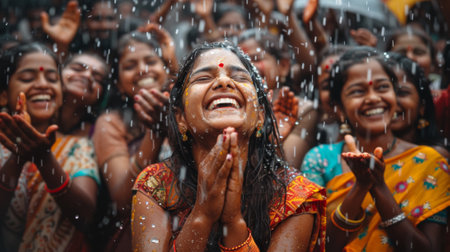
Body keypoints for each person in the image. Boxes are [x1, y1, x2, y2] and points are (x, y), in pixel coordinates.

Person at [131, 41, 326, 251]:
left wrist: (233, 222)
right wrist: (202, 214)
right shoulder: (156, 184)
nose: (224, 82)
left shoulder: (295, 195)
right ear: (181, 119)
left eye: (240, 77)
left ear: (261, 115)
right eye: (203, 78)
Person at [300, 47, 449, 251]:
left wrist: (378, 187)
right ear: (339, 108)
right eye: (358, 91)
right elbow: (318, 247)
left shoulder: (429, 162)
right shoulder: (319, 160)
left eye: (382, 87)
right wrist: (360, 187)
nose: (372, 98)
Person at [0, 42, 99, 251]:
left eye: (52, 79)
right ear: (3, 94)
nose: (43, 84)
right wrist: (17, 158)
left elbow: (85, 217)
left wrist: (45, 160)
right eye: (27, 78)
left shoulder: (78, 147)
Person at [91, 26, 177, 251]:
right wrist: (155, 132)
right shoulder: (110, 122)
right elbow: (122, 200)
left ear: (165, 70)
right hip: (137, 236)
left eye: (151, 61)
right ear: (118, 83)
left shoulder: (186, 111)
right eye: (130, 66)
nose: (143, 70)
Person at [238, 29, 318, 168]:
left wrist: (274, 140)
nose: (248, 67)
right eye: (241, 62)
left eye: (256, 58)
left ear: (283, 66)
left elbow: (288, 170)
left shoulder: (303, 110)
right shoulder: (233, 107)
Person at [387, 52, 449, 158]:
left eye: (401, 93)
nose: (391, 100)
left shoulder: (433, 157)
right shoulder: (354, 155)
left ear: (422, 105)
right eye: (382, 90)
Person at [59, 52, 108, 137]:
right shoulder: (32, 113)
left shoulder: (101, 133)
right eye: (77, 69)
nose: (87, 75)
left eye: (97, 78)